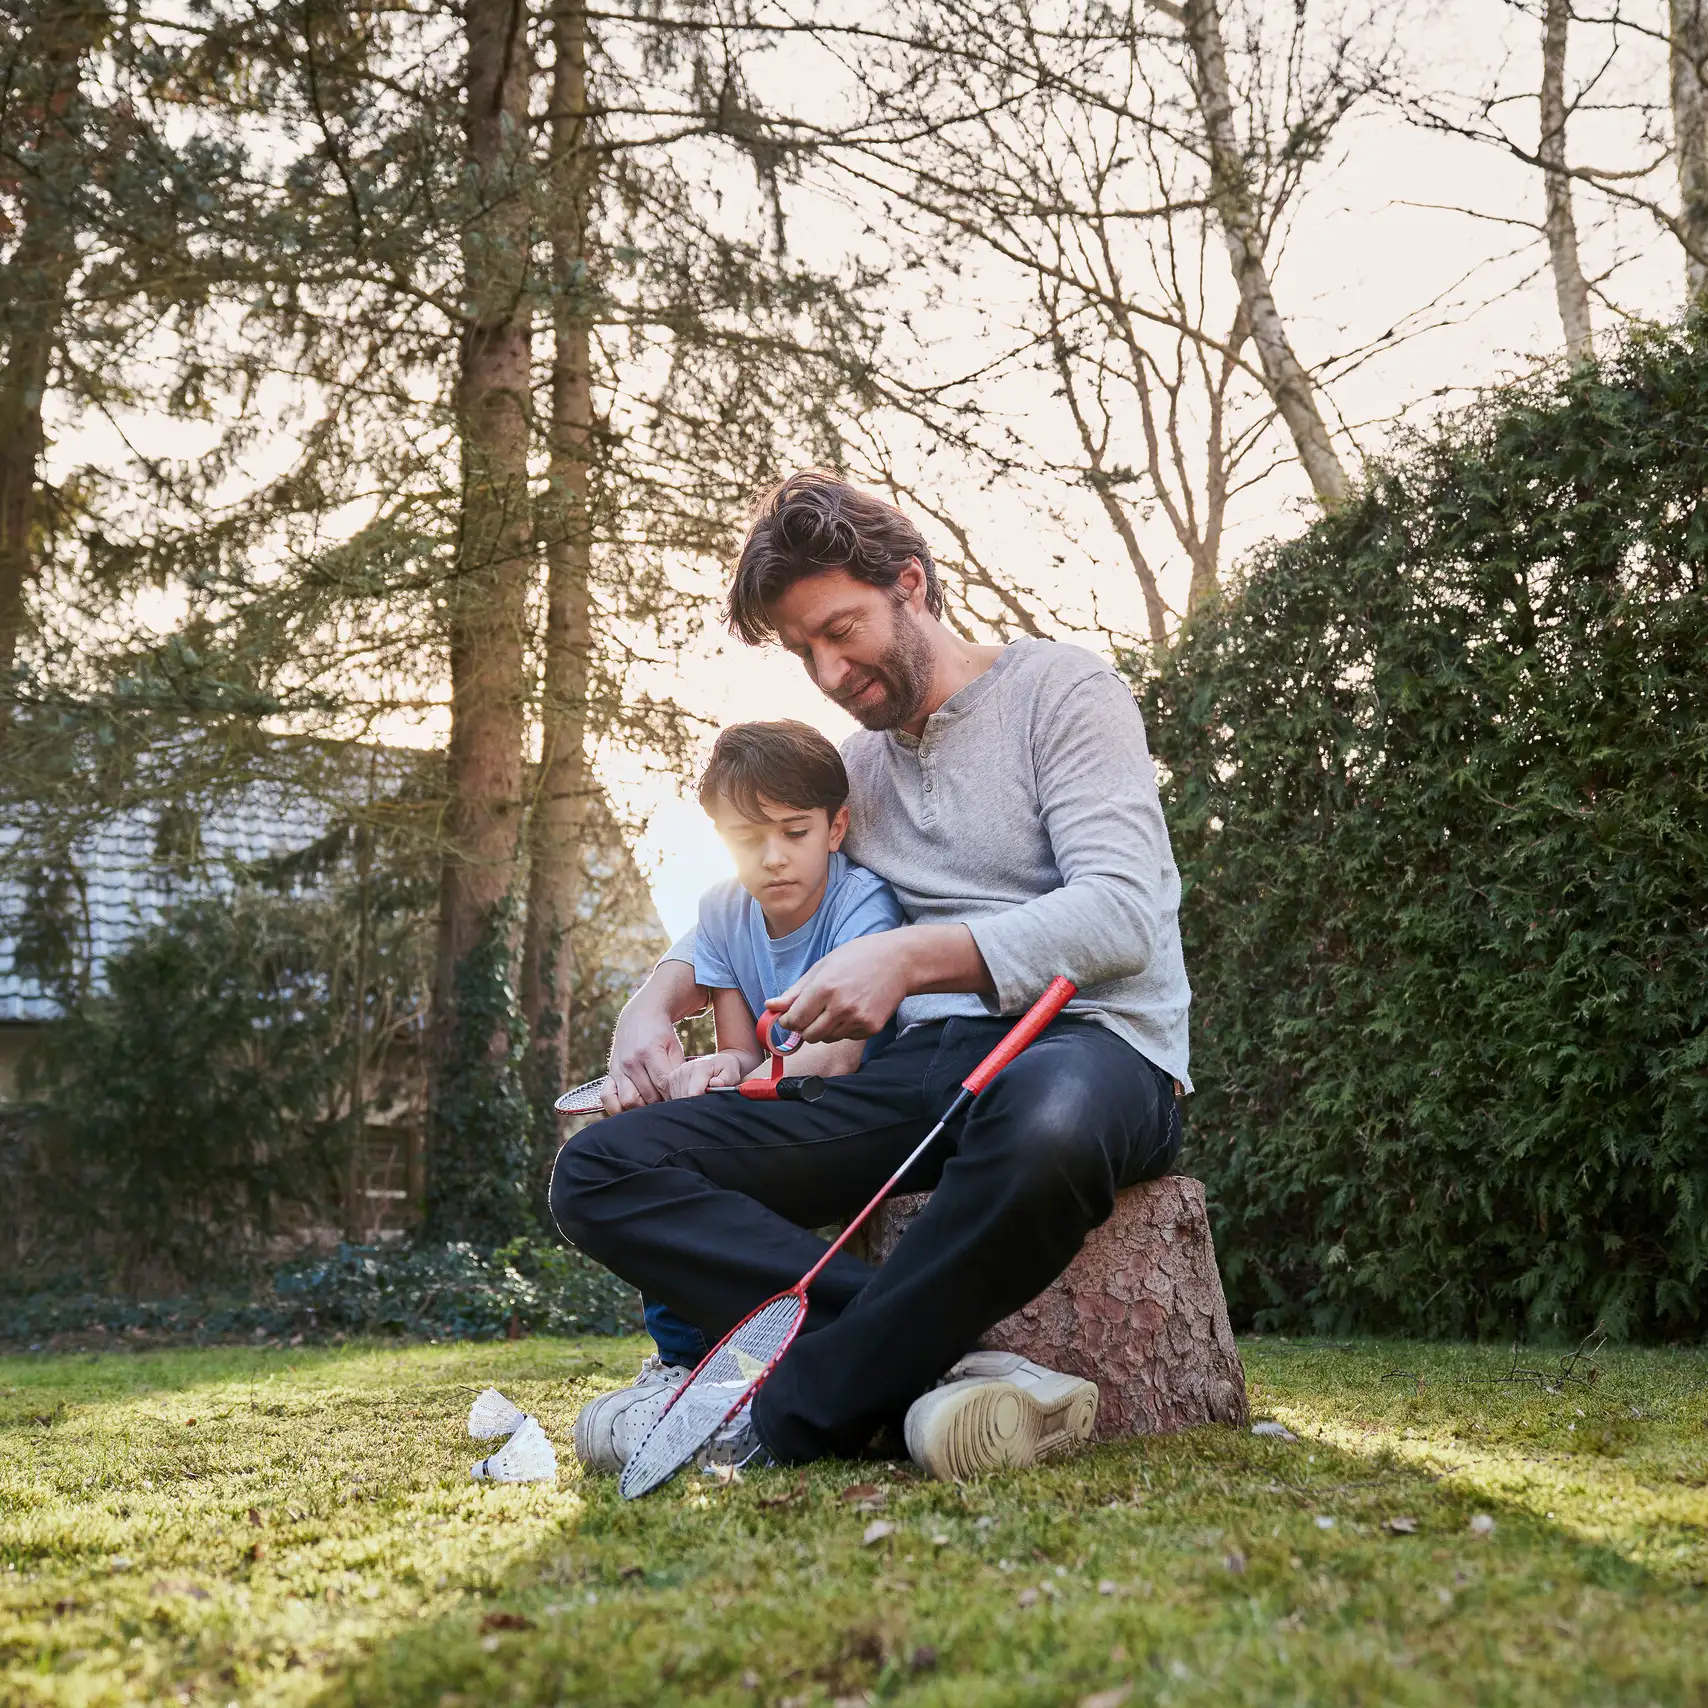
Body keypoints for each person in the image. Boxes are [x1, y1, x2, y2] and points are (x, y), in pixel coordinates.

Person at [552, 469, 1190, 1482]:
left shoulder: (1064, 692)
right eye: (802, 650)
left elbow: (1124, 915)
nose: (829, 670)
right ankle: (954, 1371)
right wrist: (653, 997)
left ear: (912, 585)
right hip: (914, 1071)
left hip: (1092, 1049)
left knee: (1047, 1122)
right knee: (599, 1170)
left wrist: (908, 956)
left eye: (840, 630)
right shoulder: (851, 773)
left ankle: (788, 1413)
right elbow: (751, 893)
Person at [615, 720, 905, 1418]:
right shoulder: (722, 911)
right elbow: (743, 1050)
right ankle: (686, 1366)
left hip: (850, 1115)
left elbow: (836, 1054)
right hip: (770, 1114)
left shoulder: (862, 902)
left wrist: (735, 1088)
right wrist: (711, 1072)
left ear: (836, 828)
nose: (773, 858)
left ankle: (837, 1347)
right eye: (747, 838)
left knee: (695, 1161)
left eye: (794, 832)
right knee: (663, 1165)